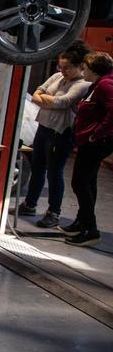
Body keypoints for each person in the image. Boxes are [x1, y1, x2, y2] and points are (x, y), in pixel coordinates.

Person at [17, 44, 90, 228]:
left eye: (67, 68)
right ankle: (30, 204)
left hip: (61, 132)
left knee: (55, 172)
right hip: (44, 126)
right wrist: (51, 100)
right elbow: (36, 94)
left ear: (80, 66)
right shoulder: (58, 77)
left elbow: (63, 102)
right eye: (60, 67)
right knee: (37, 167)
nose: (62, 71)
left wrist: (47, 99)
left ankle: (53, 212)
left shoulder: (83, 85)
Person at [62, 51, 113, 247]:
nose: (83, 72)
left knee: (80, 182)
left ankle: (91, 229)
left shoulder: (106, 85)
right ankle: (82, 221)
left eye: (85, 68)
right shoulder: (98, 84)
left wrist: (96, 133)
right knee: (88, 181)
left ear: (94, 69)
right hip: (90, 140)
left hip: (96, 142)